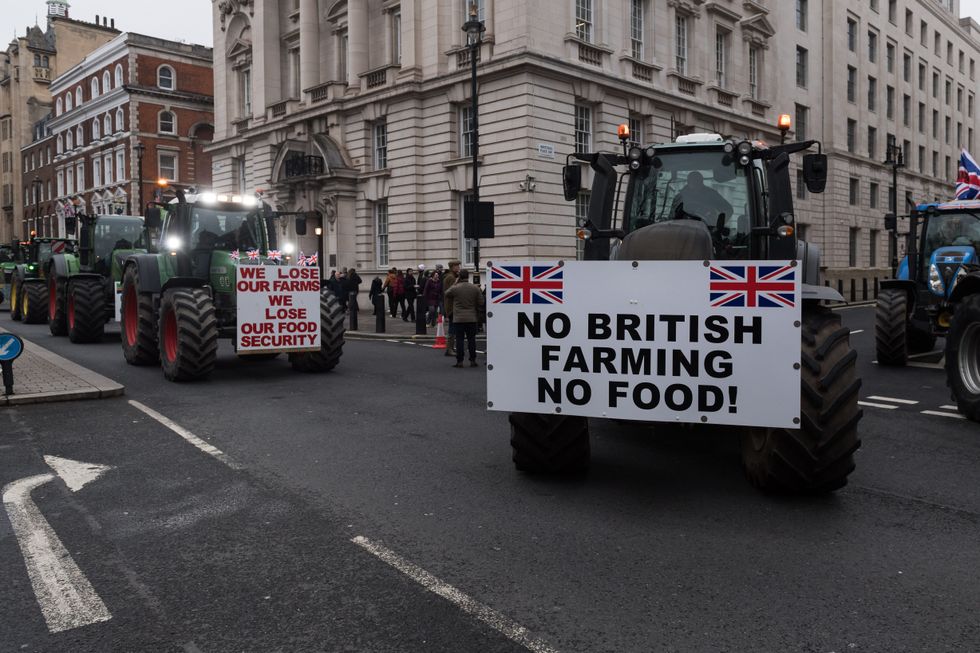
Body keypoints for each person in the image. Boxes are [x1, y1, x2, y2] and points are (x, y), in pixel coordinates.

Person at [444, 269, 485, 368]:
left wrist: (455, 283)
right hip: (471, 318)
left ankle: (460, 361)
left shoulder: (455, 288)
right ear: (468, 276)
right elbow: (481, 302)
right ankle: (473, 360)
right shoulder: (474, 288)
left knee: (460, 340)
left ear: (460, 277)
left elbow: (446, 293)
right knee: (471, 340)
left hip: (459, 318)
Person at [442, 260, 461, 357]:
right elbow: (451, 292)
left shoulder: (452, 276)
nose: (458, 267)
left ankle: (451, 348)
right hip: (452, 305)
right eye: (457, 266)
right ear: (452, 267)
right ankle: (449, 349)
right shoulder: (451, 277)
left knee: (453, 327)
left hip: (451, 305)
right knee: (452, 328)